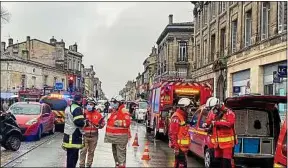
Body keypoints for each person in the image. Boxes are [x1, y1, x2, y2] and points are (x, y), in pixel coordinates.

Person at [202, 97, 236, 168]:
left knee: (226, 163)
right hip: (218, 144)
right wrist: (206, 124)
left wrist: (216, 123)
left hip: (227, 144)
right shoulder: (215, 113)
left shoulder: (229, 113)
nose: (212, 111)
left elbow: (230, 124)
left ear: (218, 106)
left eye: (213, 108)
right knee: (218, 163)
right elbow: (209, 120)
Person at [104, 95, 131, 168]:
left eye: (115, 102)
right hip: (114, 138)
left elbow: (127, 123)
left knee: (120, 156)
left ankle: (121, 166)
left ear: (119, 103)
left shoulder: (123, 111)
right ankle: (117, 165)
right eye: (112, 102)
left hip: (120, 138)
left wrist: (119, 122)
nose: (113, 104)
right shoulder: (115, 111)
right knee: (115, 155)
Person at [62, 94, 87, 168]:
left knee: (70, 156)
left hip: (68, 134)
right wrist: (85, 122)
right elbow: (78, 122)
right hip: (74, 135)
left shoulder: (68, 107)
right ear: (80, 100)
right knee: (73, 157)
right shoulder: (77, 108)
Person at [79, 97, 105, 168]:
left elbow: (103, 123)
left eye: (91, 104)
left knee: (91, 152)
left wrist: (99, 125)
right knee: (83, 151)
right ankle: (81, 165)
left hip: (94, 136)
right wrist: (84, 123)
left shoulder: (98, 114)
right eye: (88, 104)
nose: (89, 105)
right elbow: (79, 123)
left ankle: (89, 165)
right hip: (85, 136)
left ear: (94, 105)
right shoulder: (83, 113)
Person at [169, 98, 193, 168]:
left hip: (182, 148)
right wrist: (176, 147)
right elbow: (172, 133)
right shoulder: (177, 117)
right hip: (179, 148)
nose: (189, 109)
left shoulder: (183, 116)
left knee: (178, 164)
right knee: (182, 165)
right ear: (184, 107)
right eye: (188, 107)